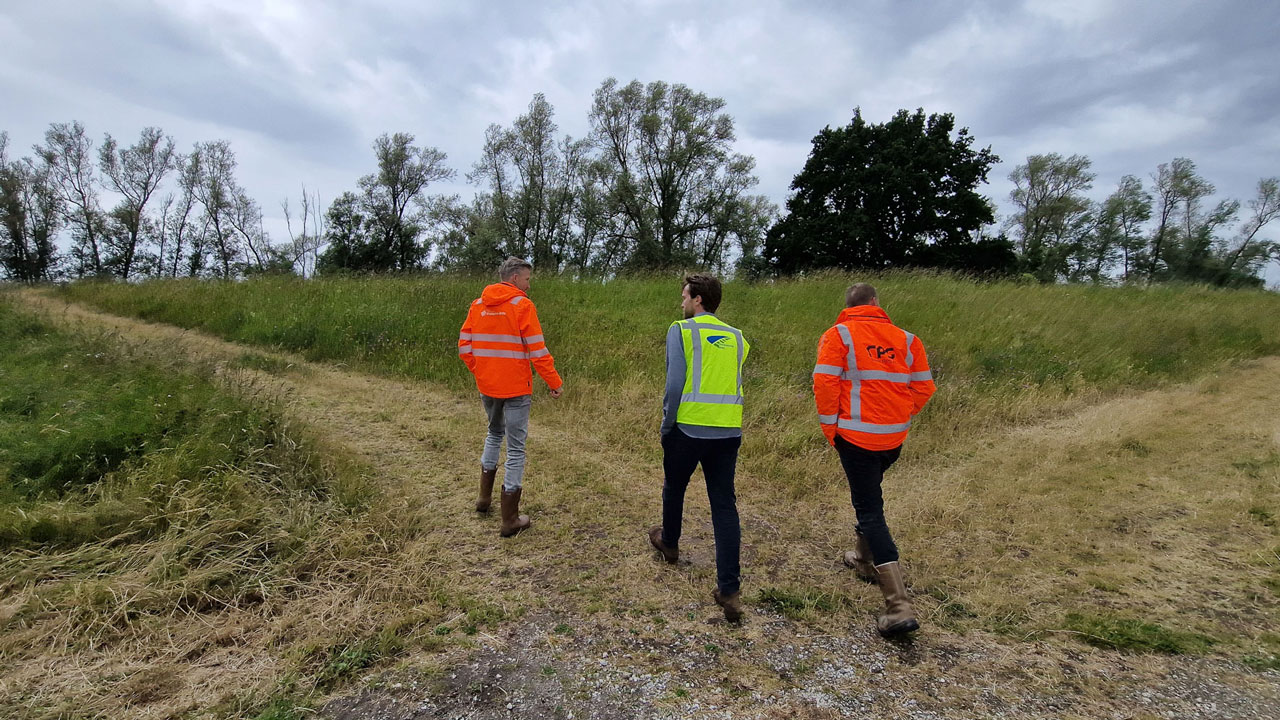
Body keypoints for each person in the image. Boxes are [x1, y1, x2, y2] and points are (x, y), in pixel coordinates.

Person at [812, 282, 935, 636]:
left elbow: (824, 384)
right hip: (892, 439)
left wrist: (830, 429)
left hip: (855, 437)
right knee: (870, 497)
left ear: (847, 306)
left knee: (870, 510)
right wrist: (900, 415)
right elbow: (924, 387)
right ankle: (864, 560)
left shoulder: (839, 335)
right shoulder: (909, 340)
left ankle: (898, 605)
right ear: (877, 303)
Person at [649, 274, 750, 622]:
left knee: (674, 486)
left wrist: (666, 424)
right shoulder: (738, 338)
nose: (681, 303)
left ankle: (670, 544)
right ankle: (729, 589)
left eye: (684, 297)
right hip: (728, 431)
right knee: (724, 505)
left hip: (688, 428)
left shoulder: (682, 330)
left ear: (697, 300)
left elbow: (675, 383)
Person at [458, 257, 564, 537]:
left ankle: (483, 500)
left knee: (494, 434)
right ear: (515, 278)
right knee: (516, 449)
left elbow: (464, 346)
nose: (529, 285)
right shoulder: (522, 305)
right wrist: (554, 382)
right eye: (528, 279)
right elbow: (537, 351)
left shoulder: (477, 305)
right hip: (516, 388)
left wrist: (481, 372)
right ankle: (510, 519)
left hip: (487, 386)